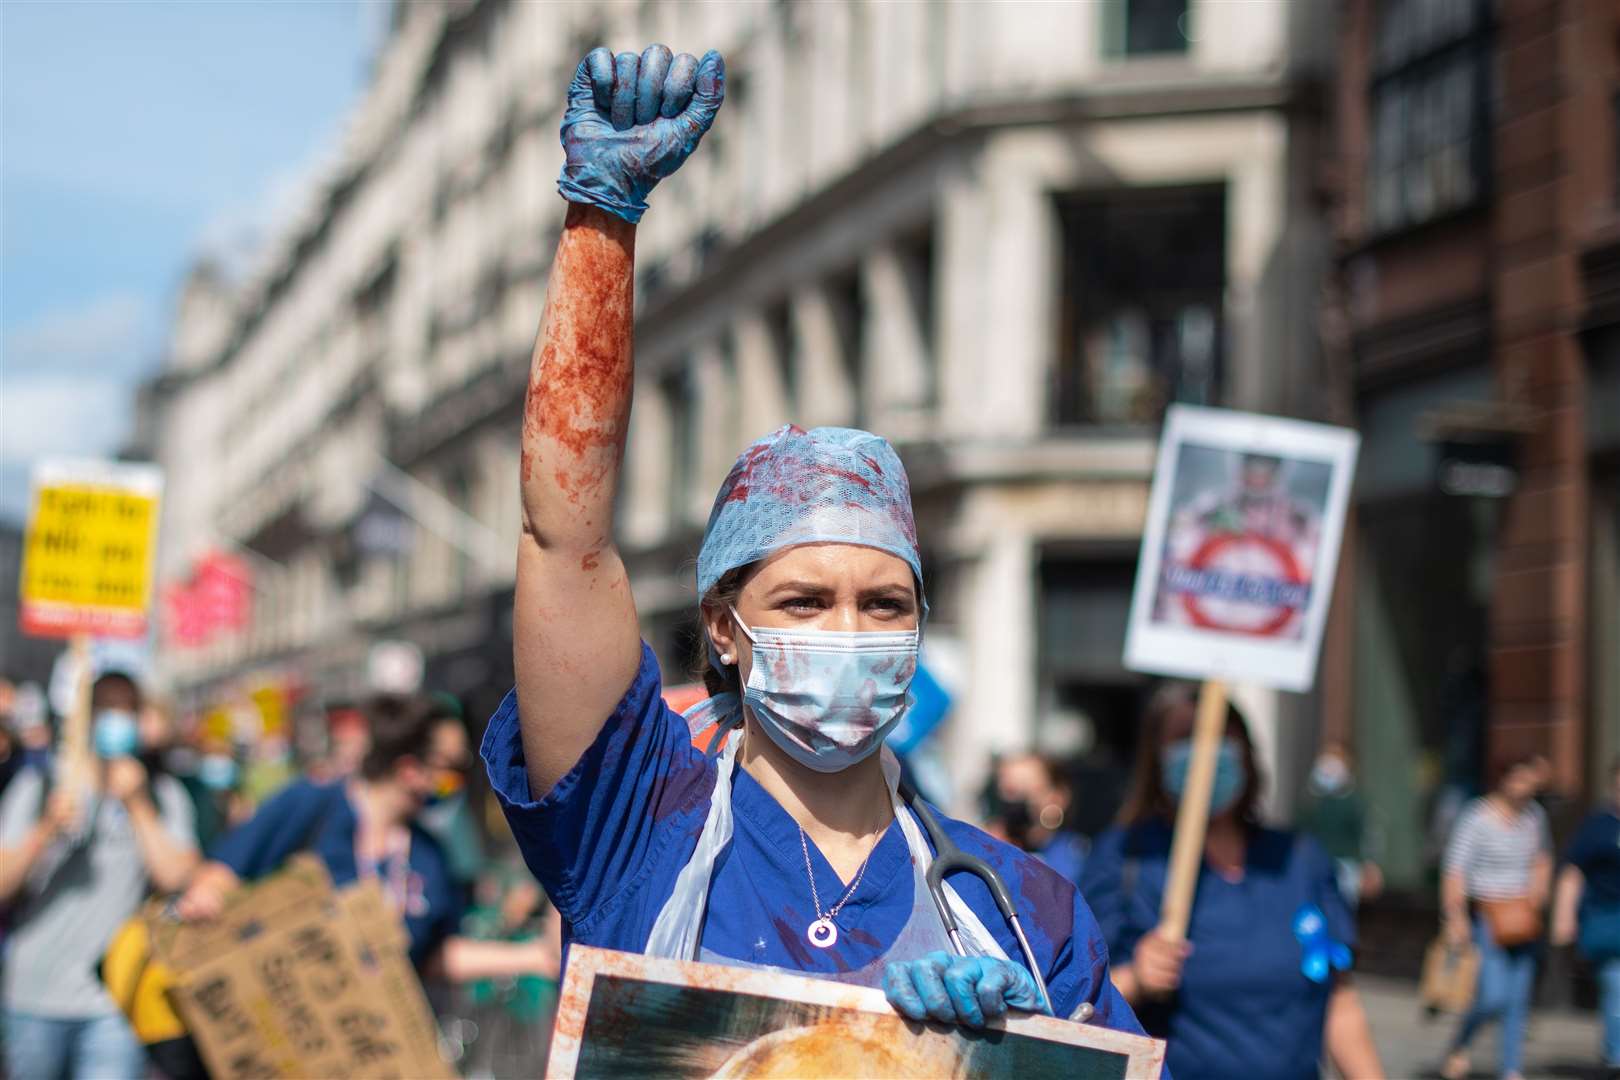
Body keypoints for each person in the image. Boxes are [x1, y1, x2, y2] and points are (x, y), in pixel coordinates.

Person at [479, 42, 1148, 1047]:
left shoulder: (1022, 908)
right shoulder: (639, 823)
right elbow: (563, 537)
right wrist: (601, 223)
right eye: (803, 602)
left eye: (885, 605)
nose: (849, 632)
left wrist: (1035, 1058)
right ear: (724, 627)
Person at [1078, 683, 1383, 1080]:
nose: (1206, 753)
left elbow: (1338, 1001)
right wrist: (1136, 977)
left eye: (1220, 734)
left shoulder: (1298, 859)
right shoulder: (1125, 857)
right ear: (1157, 758)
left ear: (1246, 750)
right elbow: (1077, 1000)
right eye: (1187, 738)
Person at [176, 693, 554, 985]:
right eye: (452, 767)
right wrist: (207, 898)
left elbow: (433, 956)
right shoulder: (312, 804)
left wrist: (535, 957)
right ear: (409, 768)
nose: (460, 780)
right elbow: (220, 874)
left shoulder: (427, 853)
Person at [0, 665, 200, 1080]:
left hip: (114, 1000)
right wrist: (47, 827)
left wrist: (139, 805)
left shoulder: (162, 792)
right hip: (35, 997)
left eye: (126, 710)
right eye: (107, 708)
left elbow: (178, 878)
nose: (116, 720)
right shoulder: (41, 785)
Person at [1439, 752, 1554, 1080]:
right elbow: (1455, 869)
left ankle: (1510, 1068)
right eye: (1518, 778)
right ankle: (1460, 1042)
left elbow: (1542, 858)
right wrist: (1455, 916)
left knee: (1518, 999)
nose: (1524, 786)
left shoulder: (1534, 817)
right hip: (1488, 914)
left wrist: (1538, 893)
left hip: (1523, 915)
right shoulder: (1477, 816)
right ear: (1502, 779)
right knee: (1492, 995)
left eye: (1527, 780)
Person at [1551, 758, 1620, 1076]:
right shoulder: (1598, 826)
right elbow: (1572, 873)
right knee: (1617, 985)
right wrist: (1564, 919)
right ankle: (1615, 1056)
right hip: (1607, 922)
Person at [1296, 740, 1383, 909]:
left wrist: (1370, 866)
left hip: (1345, 870)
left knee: (1339, 911)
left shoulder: (1354, 802)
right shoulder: (1311, 802)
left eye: (1336, 760)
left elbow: (1368, 835)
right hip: (1313, 865)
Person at [986, 752, 1089, 884]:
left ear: (1057, 797)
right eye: (1004, 789)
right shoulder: (989, 845)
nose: (1010, 800)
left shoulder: (1074, 855)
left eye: (1023, 787)